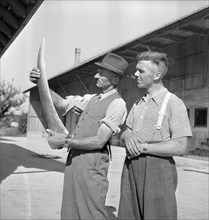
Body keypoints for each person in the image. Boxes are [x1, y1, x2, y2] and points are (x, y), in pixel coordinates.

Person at [29, 53, 129, 219]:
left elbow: (99, 141)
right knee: (71, 210)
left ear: (116, 79)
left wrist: (65, 141)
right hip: (74, 163)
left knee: (91, 212)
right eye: (98, 71)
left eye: (102, 74)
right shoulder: (91, 99)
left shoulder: (117, 104)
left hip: (93, 166)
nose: (96, 75)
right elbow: (61, 103)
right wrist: (41, 83)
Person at [117, 50, 192, 220]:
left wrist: (143, 147)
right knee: (129, 214)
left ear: (157, 75)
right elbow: (125, 132)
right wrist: (127, 137)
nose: (135, 74)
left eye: (141, 71)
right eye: (136, 70)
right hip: (130, 168)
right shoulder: (138, 103)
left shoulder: (174, 103)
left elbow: (180, 146)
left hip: (158, 170)